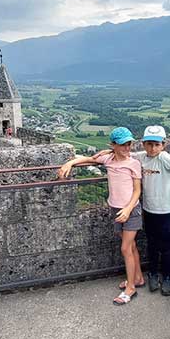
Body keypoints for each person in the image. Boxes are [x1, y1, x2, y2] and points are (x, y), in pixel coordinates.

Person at [96, 125, 170, 296]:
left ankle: (168, 277)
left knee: (166, 245)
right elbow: (122, 153)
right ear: (144, 144)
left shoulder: (165, 158)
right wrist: (107, 151)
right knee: (152, 244)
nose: (152, 148)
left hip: (166, 209)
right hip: (148, 208)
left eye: (156, 144)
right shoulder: (141, 157)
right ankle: (153, 273)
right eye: (149, 144)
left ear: (163, 144)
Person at [57, 127, 143, 305]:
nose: (127, 148)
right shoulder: (108, 159)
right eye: (123, 145)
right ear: (113, 145)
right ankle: (138, 278)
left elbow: (137, 191)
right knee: (131, 246)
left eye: (129, 144)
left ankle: (131, 288)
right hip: (115, 208)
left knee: (125, 248)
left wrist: (127, 209)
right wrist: (69, 164)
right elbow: (88, 159)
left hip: (131, 210)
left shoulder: (133, 163)